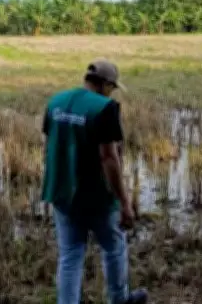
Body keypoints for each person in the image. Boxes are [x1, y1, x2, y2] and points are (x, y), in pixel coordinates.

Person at [41, 59, 149, 304]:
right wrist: (124, 202)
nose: (112, 92)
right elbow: (109, 158)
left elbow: (49, 147)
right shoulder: (105, 108)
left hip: (62, 193)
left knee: (70, 255)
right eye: (112, 87)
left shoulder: (55, 102)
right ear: (105, 85)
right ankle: (120, 300)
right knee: (114, 246)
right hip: (96, 196)